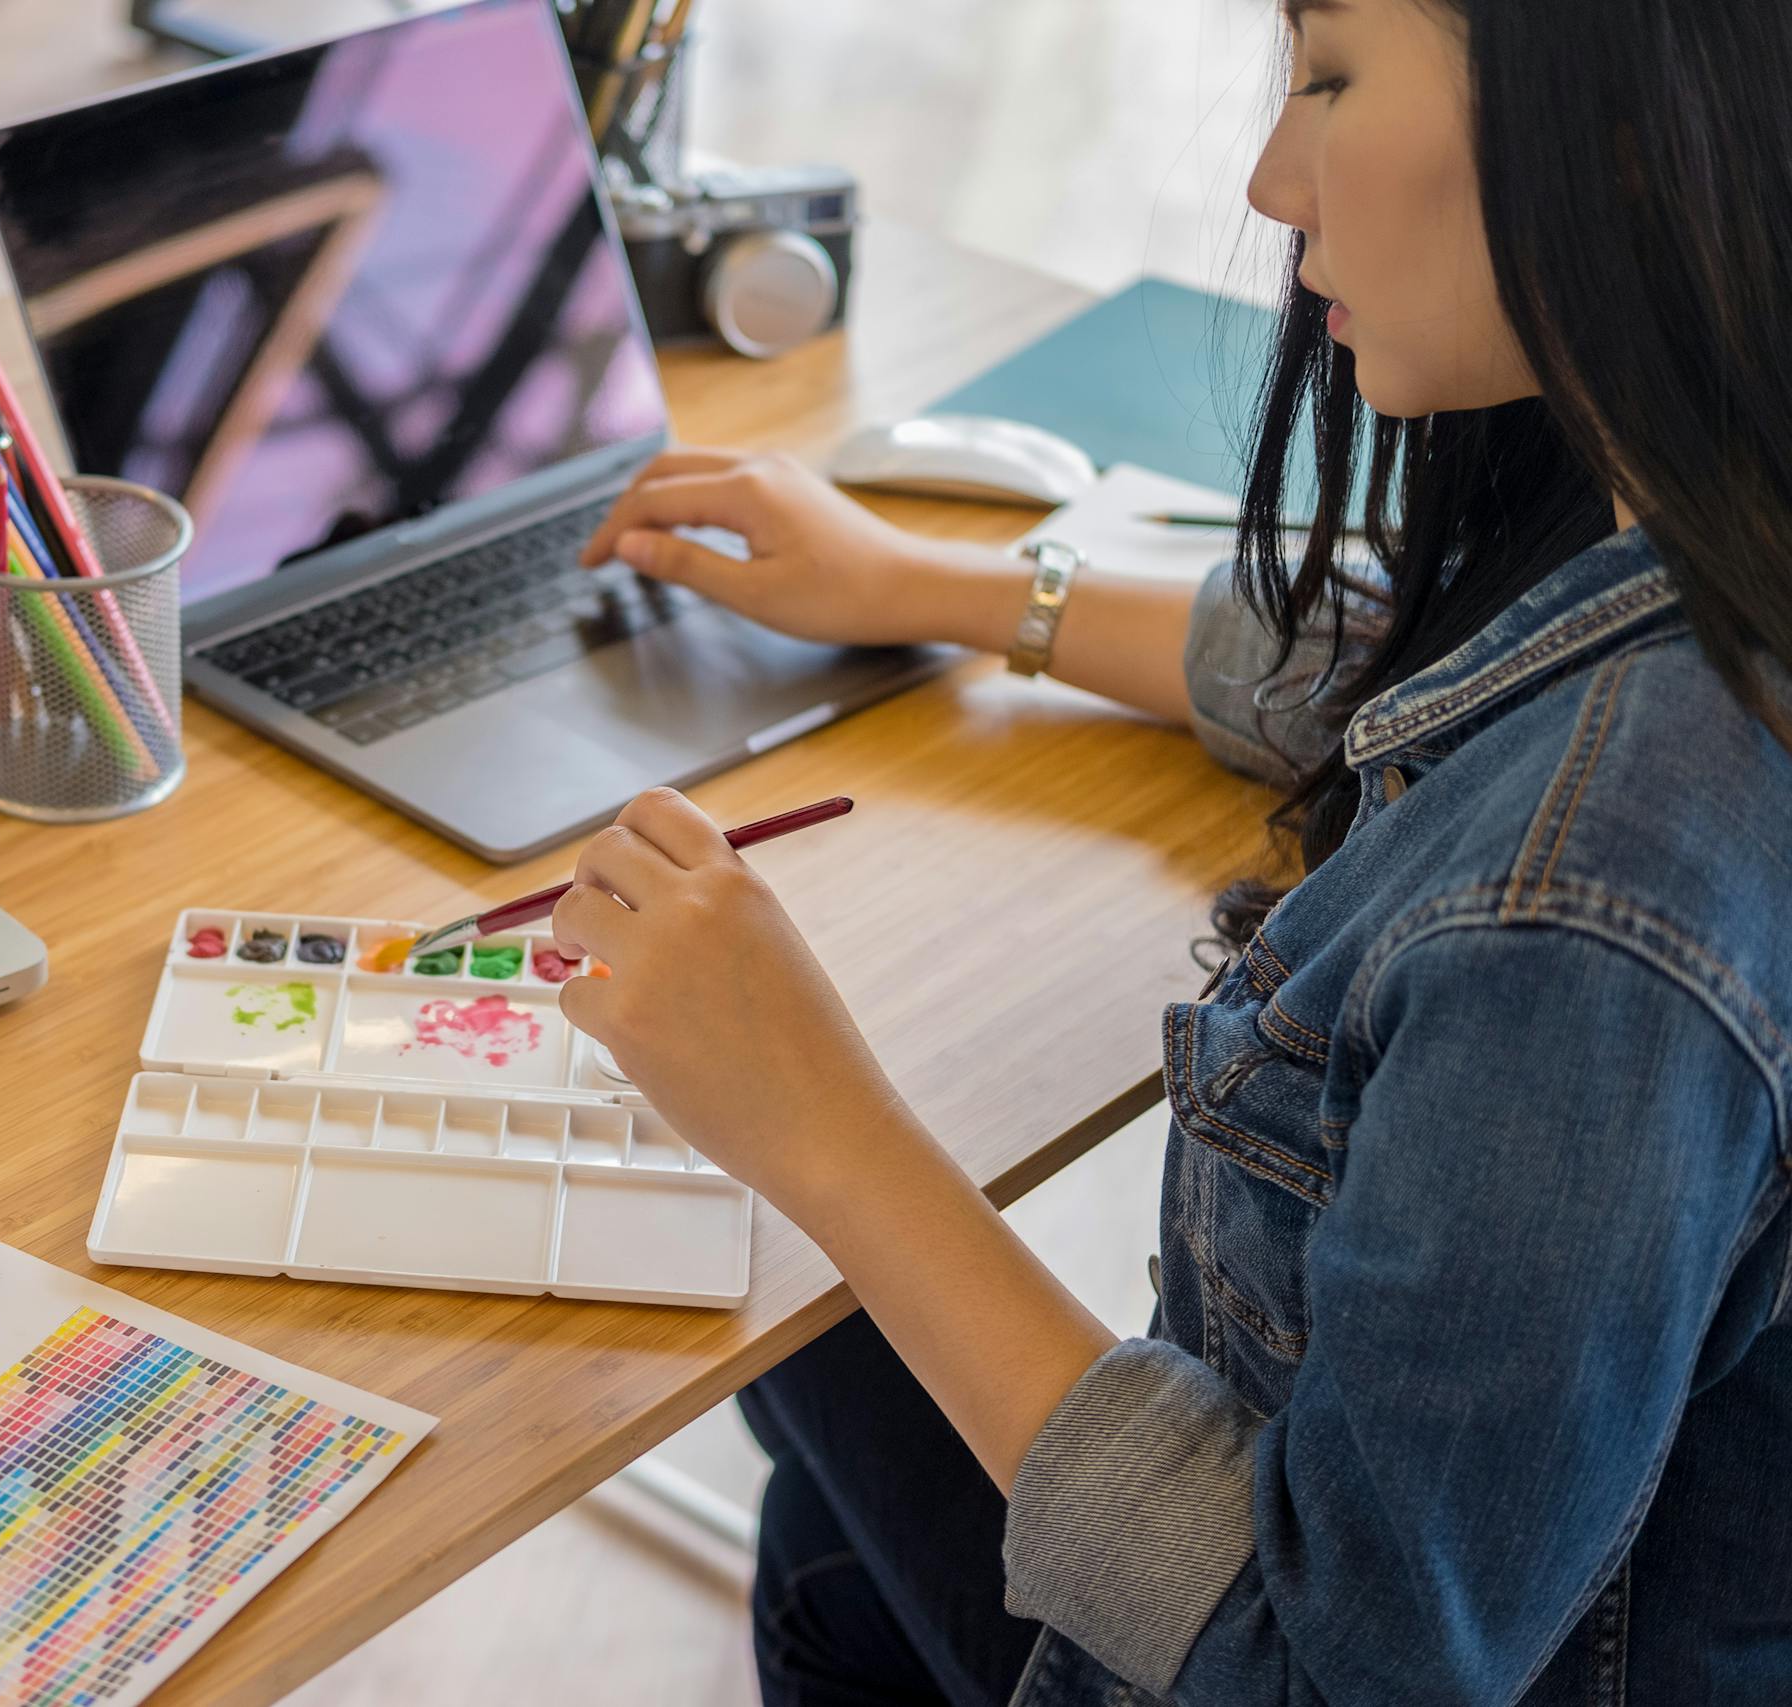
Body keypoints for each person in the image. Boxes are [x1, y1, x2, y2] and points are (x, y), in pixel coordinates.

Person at [548, 0, 1792, 1701]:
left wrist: (824, 1131)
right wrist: (942, 588)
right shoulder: (1710, 532)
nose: (1277, 182)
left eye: (1335, 77)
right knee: (830, 1516)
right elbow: (1431, 673)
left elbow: (1321, 1673)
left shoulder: (1588, 914)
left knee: (801, 1312)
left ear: (1635, 130)